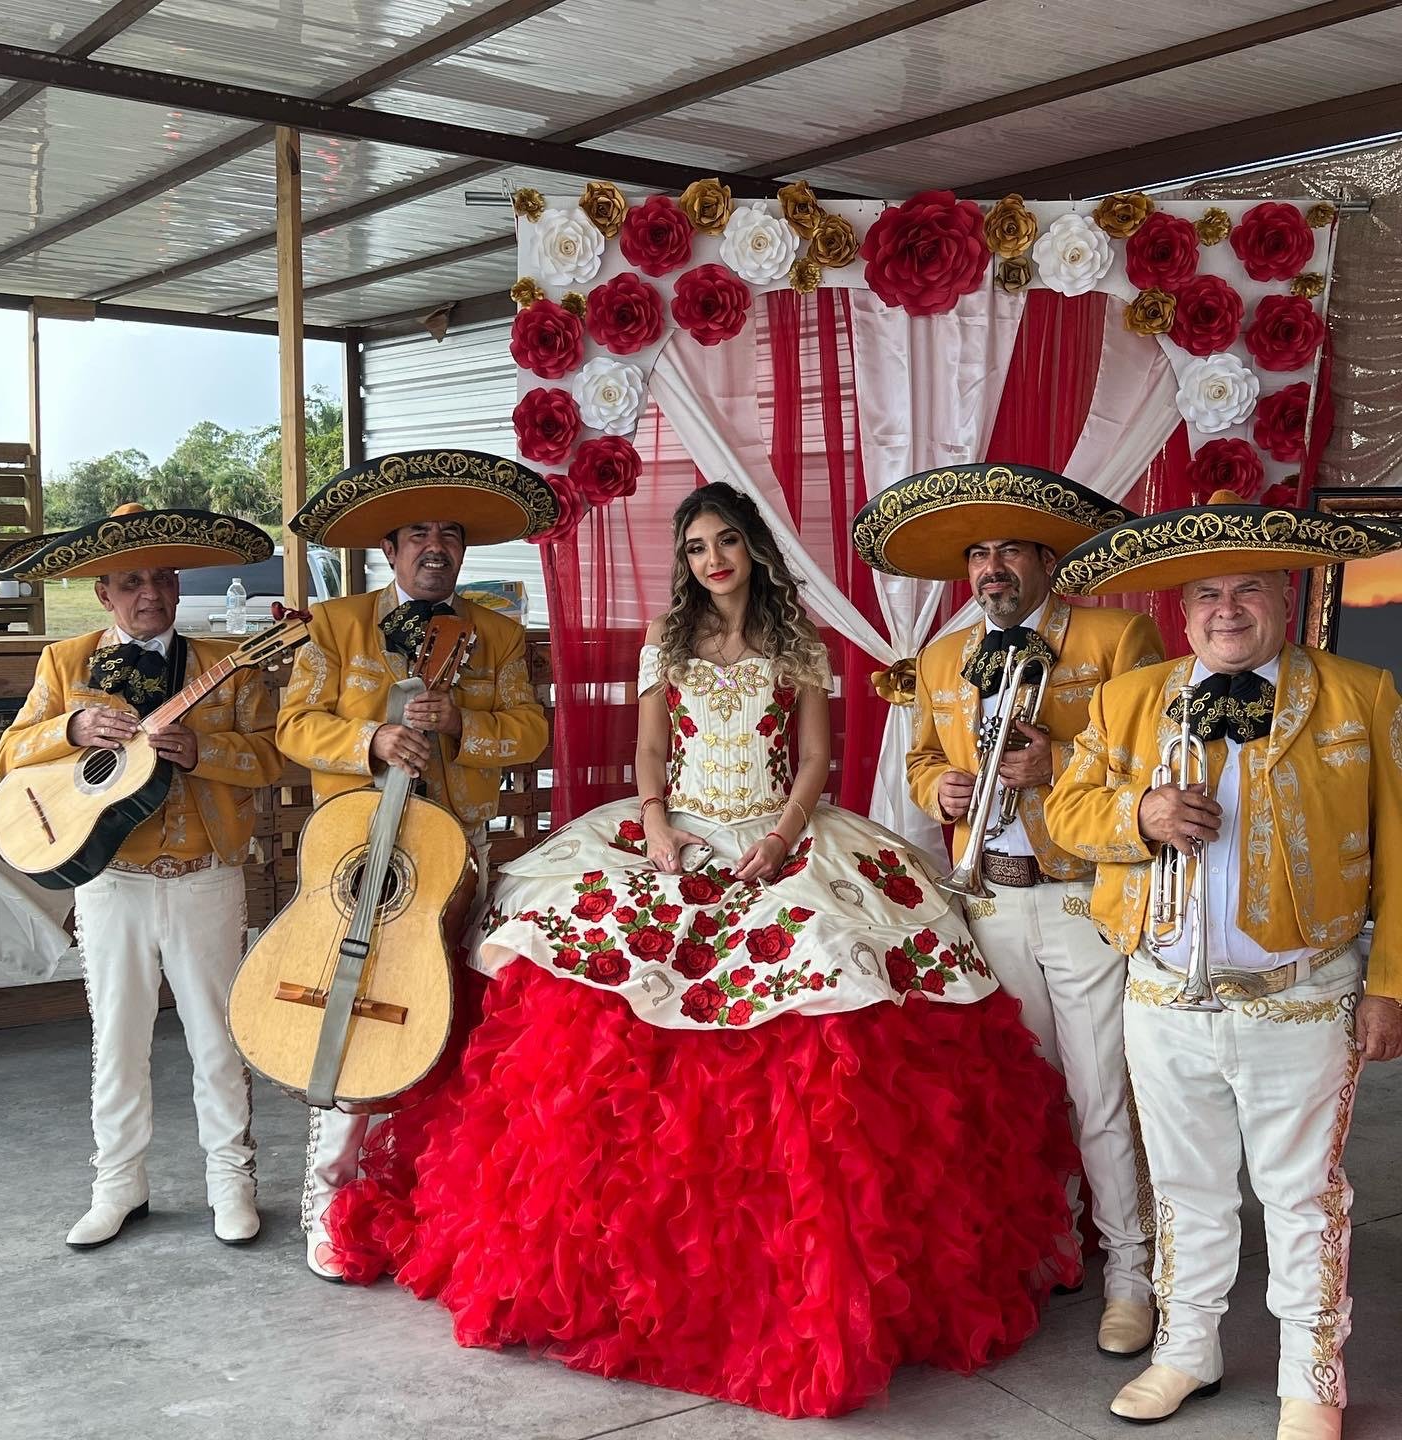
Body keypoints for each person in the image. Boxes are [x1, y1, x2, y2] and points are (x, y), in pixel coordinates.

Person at [319, 481, 1081, 1420]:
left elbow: (814, 760)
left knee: (836, 975)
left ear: (753, 547)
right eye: (694, 548)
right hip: (675, 831)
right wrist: (655, 825)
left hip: (780, 834)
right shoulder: (667, 639)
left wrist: (781, 837)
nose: (711, 560)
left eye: (724, 542)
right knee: (586, 974)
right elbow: (649, 752)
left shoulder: (797, 640)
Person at [1045, 489, 1402, 1438]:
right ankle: (1185, 1352)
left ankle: (1311, 1379)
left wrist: (1390, 984)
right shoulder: (1129, 697)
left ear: (1285, 596)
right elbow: (1066, 812)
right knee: (1185, 1188)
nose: (1227, 610)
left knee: (1303, 1199)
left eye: (1248, 590)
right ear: (1182, 607)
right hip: (1162, 995)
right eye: (1207, 593)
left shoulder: (1359, 694)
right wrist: (1139, 816)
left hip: (1303, 995)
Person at [852, 462, 1164, 1357]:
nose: (991, 569)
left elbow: (1153, 764)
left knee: (1101, 1092)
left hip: (1080, 894)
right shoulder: (941, 657)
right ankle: (1052, 1241)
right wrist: (939, 788)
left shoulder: (1116, 637)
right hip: (986, 897)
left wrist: (1058, 765)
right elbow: (920, 758)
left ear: (1047, 561)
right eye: (978, 554)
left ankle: (1131, 1269)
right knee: (1025, 1088)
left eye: (1011, 551)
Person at [276, 449, 552, 1279]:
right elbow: (294, 726)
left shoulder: (499, 636)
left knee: (447, 1021)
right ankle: (329, 1205)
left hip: (454, 857)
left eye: (451, 535)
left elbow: (530, 733)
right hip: (355, 861)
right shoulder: (334, 625)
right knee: (351, 1016)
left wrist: (463, 727)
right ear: (389, 550)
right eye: (419, 534)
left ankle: (430, 1201)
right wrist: (372, 739)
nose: (437, 547)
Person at [0, 503, 282, 1249]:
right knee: (116, 1038)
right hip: (109, 876)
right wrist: (71, 729)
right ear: (103, 594)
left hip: (203, 872)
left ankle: (231, 1181)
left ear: (179, 584)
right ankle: (118, 1184)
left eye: (161, 578)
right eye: (130, 582)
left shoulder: (227, 662)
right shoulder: (65, 662)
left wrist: (204, 753)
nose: (149, 594)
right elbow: (11, 753)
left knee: (217, 1039)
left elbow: (272, 758)